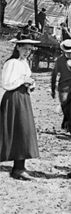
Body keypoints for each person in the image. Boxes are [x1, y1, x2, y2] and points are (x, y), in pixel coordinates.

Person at [0, 39, 40, 180]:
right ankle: (18, 169)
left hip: (23, 98)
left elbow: (26, 79)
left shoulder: (24, 63)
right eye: (24, 49)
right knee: (16, 130)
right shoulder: (11, 63)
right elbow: (6, 83)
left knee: (24, 130)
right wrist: (23, 81)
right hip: (13, 99)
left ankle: (19, 166)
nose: (27, 52)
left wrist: (31, 83)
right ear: (17, 47)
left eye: (29, 50)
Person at [51, 39, 71, 130]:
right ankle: (68, 121)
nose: (69, 54)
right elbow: (54, 75)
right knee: (65, 105)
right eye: (67, 52)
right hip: (63, 87)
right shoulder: (59, 60)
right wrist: (52, 89)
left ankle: (69, 123)